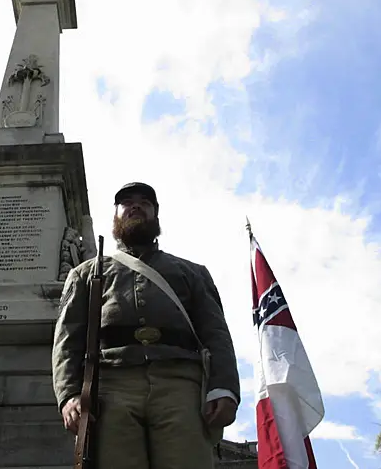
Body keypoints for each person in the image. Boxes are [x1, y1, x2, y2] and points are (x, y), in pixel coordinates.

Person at [52, 182, 240, 469]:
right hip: (111, 386)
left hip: (181, 384)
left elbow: (215, 333)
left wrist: (224, 388)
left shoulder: (192, 272)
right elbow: (68, 338)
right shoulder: (86, 274)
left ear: (156, 216)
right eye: (127, 202)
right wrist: (69, 394)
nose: (136, 206)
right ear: (115, 215)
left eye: (145, 203)